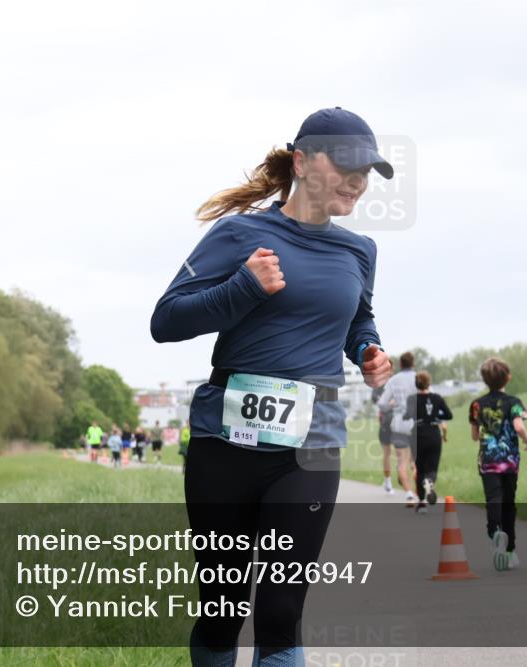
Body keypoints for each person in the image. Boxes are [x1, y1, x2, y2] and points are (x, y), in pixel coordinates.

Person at [150, 107, 394, 666]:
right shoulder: (240, 234)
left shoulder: (360, 251)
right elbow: (165, 321)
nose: (358, 181)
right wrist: (242, 289)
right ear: (303, 162)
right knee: (222, 607)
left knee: (282, 613)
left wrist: (368, 352)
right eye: (348, 165)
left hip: (309, 448)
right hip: (225, 445)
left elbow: (358, 321)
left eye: (368, 172)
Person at [470, 358, 527, 571]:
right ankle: (511, 550)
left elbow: (474, 435)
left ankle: (494, 533)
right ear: (508, 377)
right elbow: (518, 426)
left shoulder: (477, 404)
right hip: (509, 461)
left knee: (493, 499)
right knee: (509, 503)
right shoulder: (514, 402)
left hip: (487, 460)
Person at [404, 371, 453, 513]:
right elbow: (449, 415)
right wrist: (435, 415)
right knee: (432, 468)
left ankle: (421, 503)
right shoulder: (437, 398)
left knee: (420, 469)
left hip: (417, 435)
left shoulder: (412, 399)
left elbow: (407, 415)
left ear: (416, 384)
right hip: (433, 434)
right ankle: (430, 481)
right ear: (429, 384)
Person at [378, 352, 419, 506]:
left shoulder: (393, 381)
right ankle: (418, 492)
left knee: (402, 462)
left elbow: (382, 403)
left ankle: (408, 494)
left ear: (400, 365)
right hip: (416, 424)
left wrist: (392, 405)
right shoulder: (419, 378)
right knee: (415, 462)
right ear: (413, 363)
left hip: (399, 424)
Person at [371, 384, 395, 494]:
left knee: (402, 451)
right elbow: (377, 400)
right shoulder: (379, 386)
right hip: (385, 422)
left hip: (399, 422)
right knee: (387, 452)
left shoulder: (397, 383)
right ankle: (388, 481)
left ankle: (405, 480)